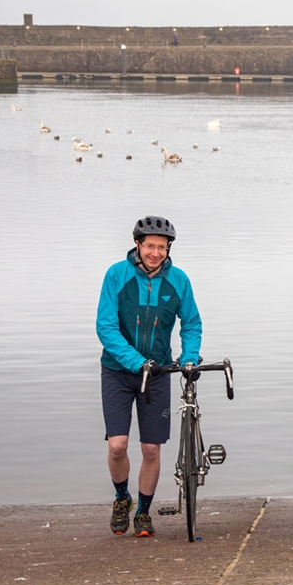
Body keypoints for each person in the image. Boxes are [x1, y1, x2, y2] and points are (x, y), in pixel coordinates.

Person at [96, 215, 202, 537]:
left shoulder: (179, 280)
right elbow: (106, 327)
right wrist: (135, 361)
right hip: (118, 371)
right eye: (150, 246)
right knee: (117, 445)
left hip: (157, 372)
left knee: (151, 449)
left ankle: (143, 511)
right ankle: (121, 498)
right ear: (137, 245)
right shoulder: (117, 275)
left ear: (168, 248)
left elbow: (192, 324)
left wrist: (188, 358)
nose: (156, 252)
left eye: (162, 247)